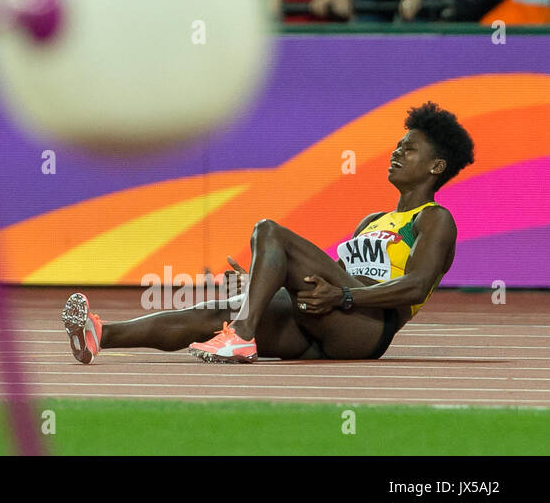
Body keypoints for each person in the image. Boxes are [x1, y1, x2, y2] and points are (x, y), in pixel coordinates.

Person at [64, 103, 476, 363]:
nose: (396, 153)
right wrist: (264, 279)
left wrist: (346, 296)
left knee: (269, 232)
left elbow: (416, 286)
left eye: (409, 149)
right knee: (219, 309)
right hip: (326, 319)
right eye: (397, 146)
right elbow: (323, 278)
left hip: (369, 326)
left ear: (436, 167)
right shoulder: (371, 222)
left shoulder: (434, 219)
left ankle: (242, 336)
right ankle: (100, 335)